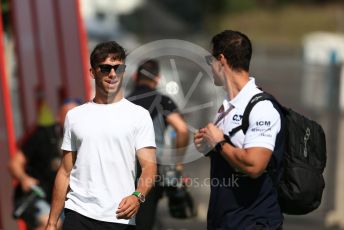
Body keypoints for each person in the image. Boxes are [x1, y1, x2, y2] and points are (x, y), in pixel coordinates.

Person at [45, 41, 157, 230]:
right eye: (105, 68)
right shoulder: (74, 116)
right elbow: (65, 172)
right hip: (78, 213)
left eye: (118, 68)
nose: (112, 74)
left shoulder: (139, 115)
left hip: (119, 217)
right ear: (93, 72)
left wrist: (137, 196)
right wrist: (51, 222)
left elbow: (149, 168)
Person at [194, 30, 284, 229]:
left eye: (210, 59)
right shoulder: (227, 106)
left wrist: (219, 143)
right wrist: (208, 146)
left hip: (254, 222)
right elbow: (229, 154)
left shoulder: (261, 107)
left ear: (221, 60)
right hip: (225, 220)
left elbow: (254, 165)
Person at [128, 59, 189, 230]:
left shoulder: (123, 102)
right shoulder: (162, 101)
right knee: (144, 222)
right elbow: (182, 130)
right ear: (157, 78)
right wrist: (178, 165)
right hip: (150, 168)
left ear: (135, 76)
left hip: (123, 166)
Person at [8, 99, 80, 230]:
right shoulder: (43, 135)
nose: (72, 120)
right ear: (59, 117)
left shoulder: (86, 140)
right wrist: (24, 179)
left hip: (66, 201)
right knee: (51, 223)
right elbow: (15, 163)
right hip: (34, 196)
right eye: (68, 115)